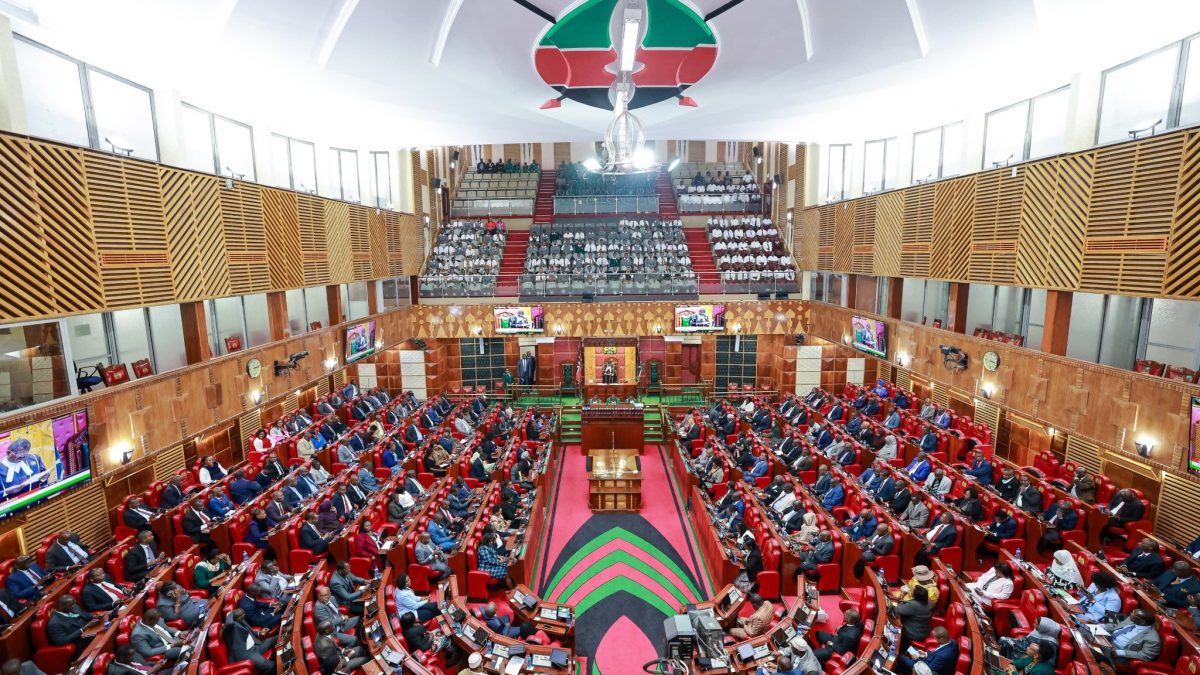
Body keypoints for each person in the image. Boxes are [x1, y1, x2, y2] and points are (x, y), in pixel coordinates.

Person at [224, 609, 277, 674]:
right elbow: (229, 623)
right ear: (237, 618)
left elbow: (251, 631)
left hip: (256, 646)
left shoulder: (242, 620)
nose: (244, 616)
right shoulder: (232, 628)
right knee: (271, 666)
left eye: (244, 615)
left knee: (275, 639)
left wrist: (259, 633)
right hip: (247, 654)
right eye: (242, 616)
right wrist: (230, 614)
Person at [896, 584, 934, 654]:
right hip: (924, 632)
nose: (911, 592)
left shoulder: (913, 605)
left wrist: (901, 599)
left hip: (913, 633)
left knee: (896, 628)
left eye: (912, 592)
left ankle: (899, 653)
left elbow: (898, 609)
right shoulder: (929, 603)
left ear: (916, 596)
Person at [105, 644, 169, 674]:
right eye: (131, 656)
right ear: (122, 658)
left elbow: (143, 664)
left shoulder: (127, 659)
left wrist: (156, 663)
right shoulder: (119, 672)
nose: (134, 657)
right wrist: (150, 671)